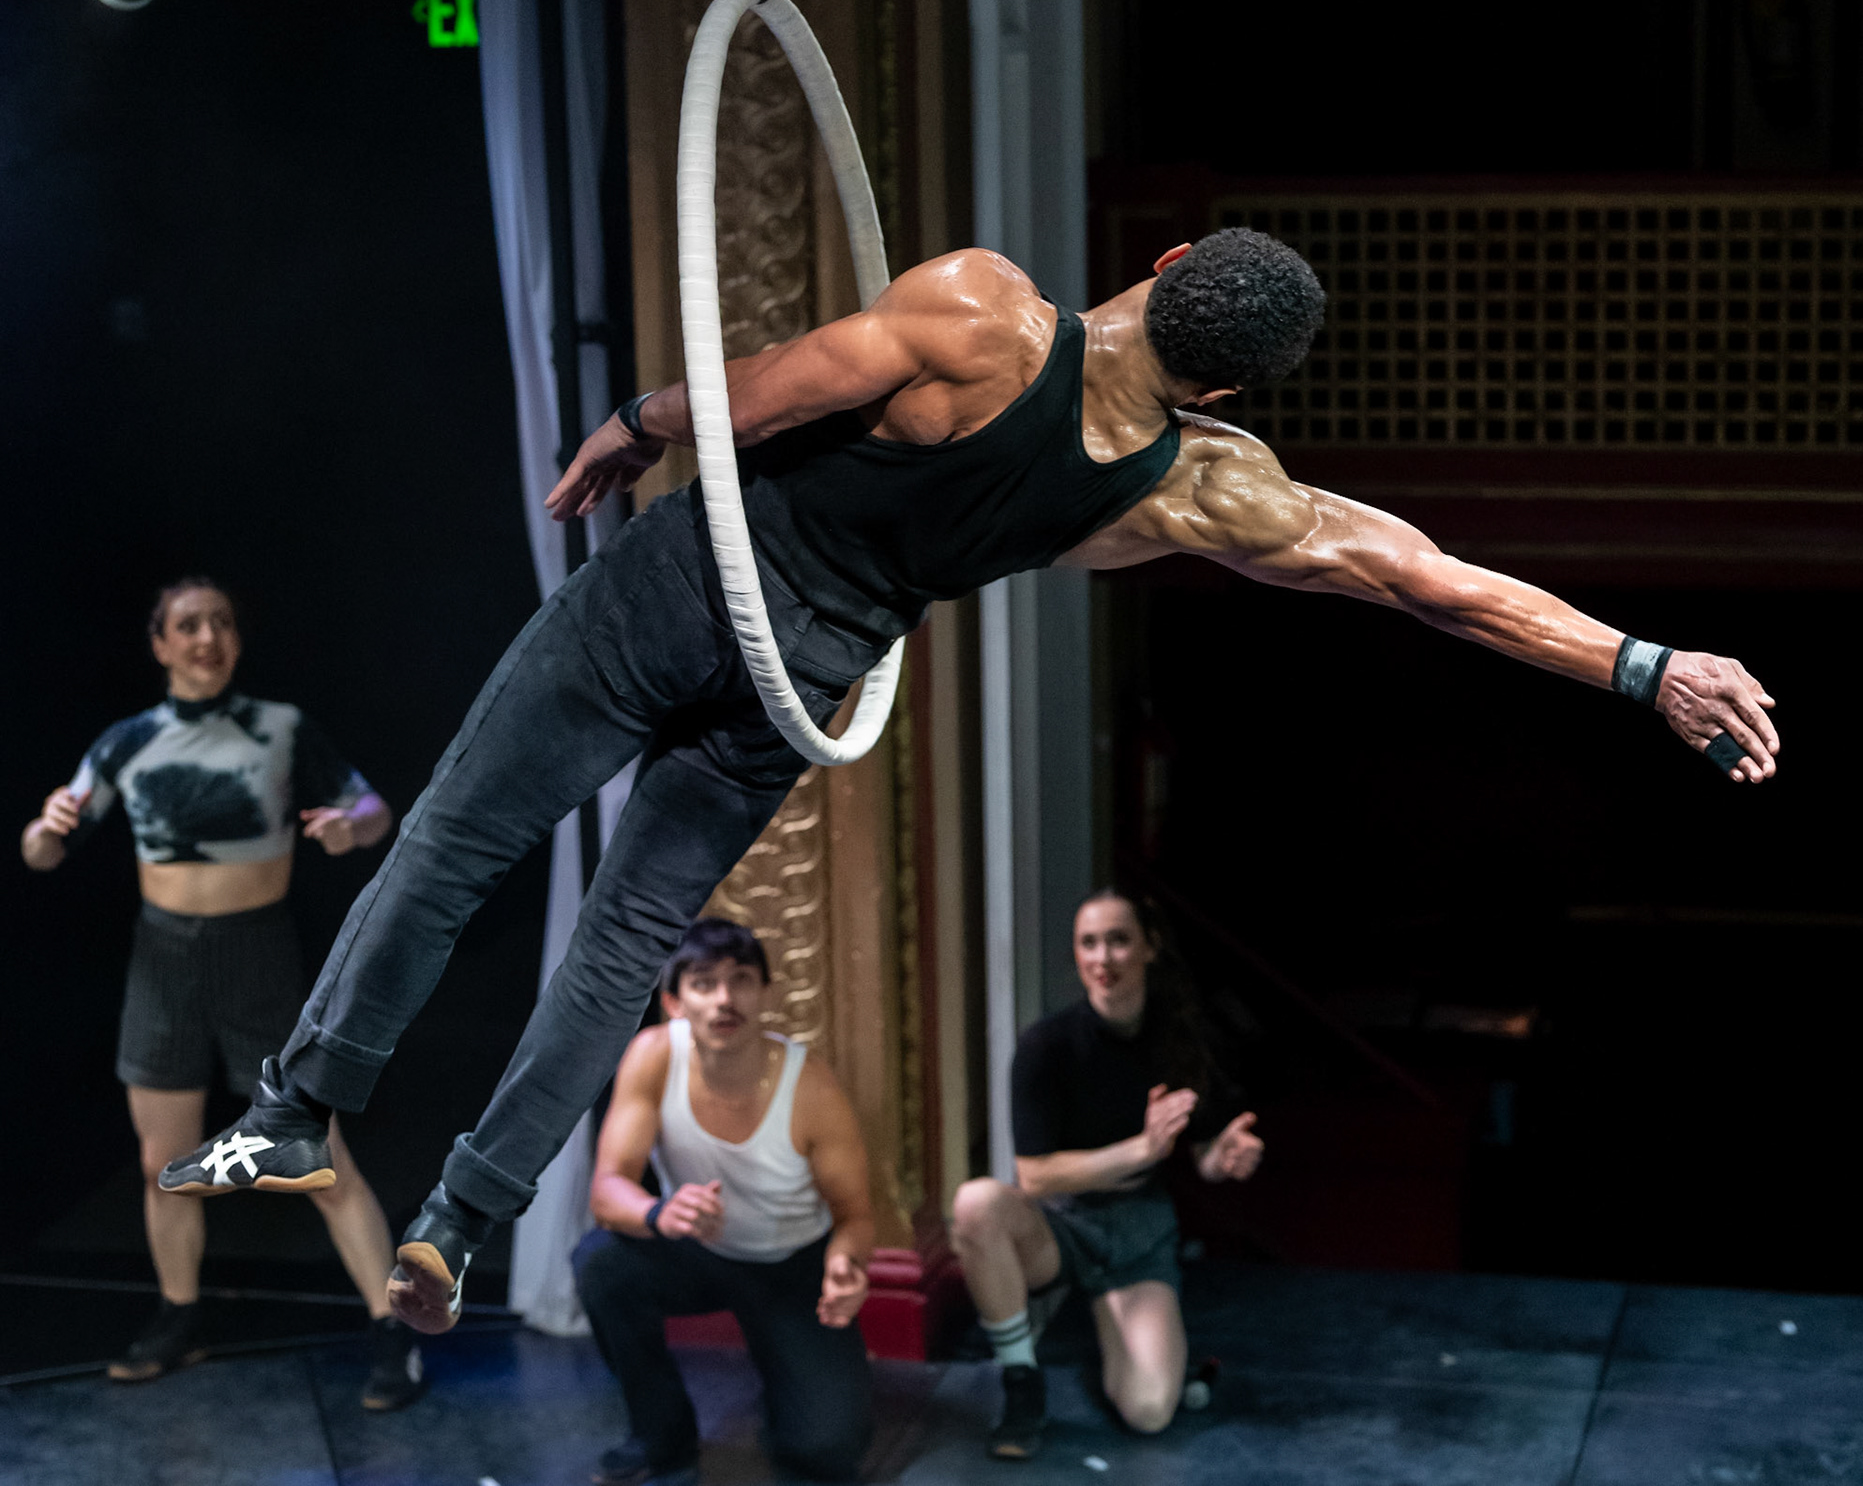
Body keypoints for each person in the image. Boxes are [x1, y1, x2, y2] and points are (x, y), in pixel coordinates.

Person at [156, 230, 1780, 1337]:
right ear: (1226, 392)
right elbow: (1431, 580)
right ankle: (459, 1217)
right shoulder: (1206, 489)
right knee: (621, 947)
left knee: (454, 844)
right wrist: (1645, 666)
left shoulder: (985, 309)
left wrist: (637, 421)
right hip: (804, 681)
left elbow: (762, 394)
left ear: (1163, 266)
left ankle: (300, 1108)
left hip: (682, 596)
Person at [20, 577, 425, 1408]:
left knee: (317, 1159)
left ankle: (393, 1332)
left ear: (236, 639)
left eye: (221, 623)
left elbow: (373, 808)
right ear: (160, 644)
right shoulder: (128, 741)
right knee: (161, 1164)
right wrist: (44, 830)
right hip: (163, 960)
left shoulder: (280, 727)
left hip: (257, 955)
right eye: (188, 625)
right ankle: (179, 1318)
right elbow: (42, 850)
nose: (207, 638)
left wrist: (351, 828)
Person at [949, 889, 1257, 1458]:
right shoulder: (1046, 1046)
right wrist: (1141, 1149)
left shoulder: (1182, 1037)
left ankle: (1118, 1329)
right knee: (976, 1203)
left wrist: (1227, 1157)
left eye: (1118, 940)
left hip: (1139, 1231)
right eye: (1088, 943)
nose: (1103, 957)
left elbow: (1204, 1154)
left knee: (1149, 1412)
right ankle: (1021, 1379)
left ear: (1149, 947)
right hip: (1062, 1226)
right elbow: (1035, 1177)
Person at [571, 918, 874, 1485]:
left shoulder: (810, 1086)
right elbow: (608, 1191)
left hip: (792, 1265)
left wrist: (845, 1264)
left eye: (741, 980)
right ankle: (661, 1436)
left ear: (766, 994)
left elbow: (855, 1216)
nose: (724, 999)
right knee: (601, 1263)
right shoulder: (653, 1056)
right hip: (699, 1251)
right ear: (674, 1002)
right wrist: (659, 1214)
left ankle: (788, 1390)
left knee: (825, 1451)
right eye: (704, 982)